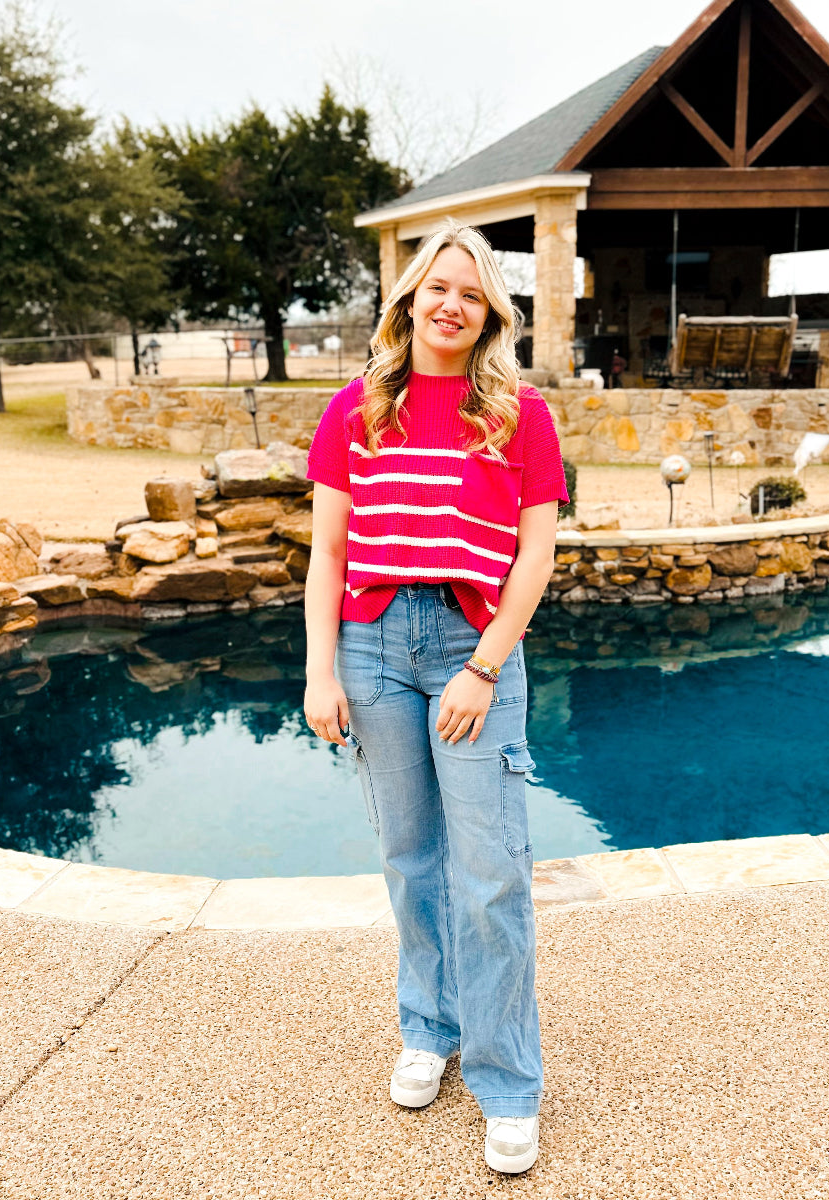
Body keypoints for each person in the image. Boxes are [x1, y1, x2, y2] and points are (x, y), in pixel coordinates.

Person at [302, 218, 569, 1174]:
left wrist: (487, 662)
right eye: (436, 287)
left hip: (472, 645)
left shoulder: (517, 416)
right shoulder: (356, 410)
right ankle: (430, 1027)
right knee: (408, 857)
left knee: (491, 873)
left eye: (471, 291)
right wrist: (319, 669)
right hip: (371, 647)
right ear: (408, 299)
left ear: (490, 310)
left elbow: (535, 552)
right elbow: (328, 553)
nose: (450, 305)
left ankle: (508, 1080)